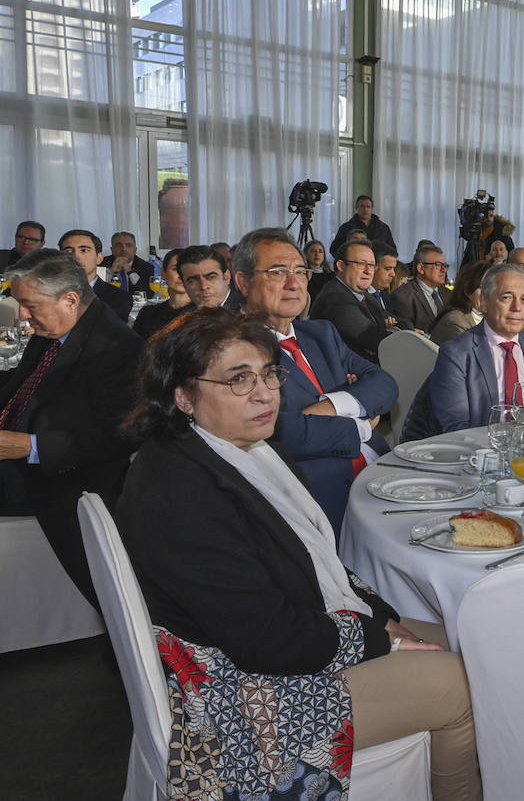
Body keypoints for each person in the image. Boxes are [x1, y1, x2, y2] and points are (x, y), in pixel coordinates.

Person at [117, 309, 478, 800]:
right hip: (246, 697)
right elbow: (267, 640)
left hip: (284, 639)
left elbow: (310, 562)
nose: (265, 393)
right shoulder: (178, 492)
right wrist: (377, 638)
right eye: (238, 380)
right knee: (462, 684)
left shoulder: (245, 447)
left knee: (476, 642)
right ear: (182, 396)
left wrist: (381, 618)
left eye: (269, 373)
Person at [0, 249, 143, 608]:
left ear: (70, 299)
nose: (23, 316)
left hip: (70, 480)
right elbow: (19, 389)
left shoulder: (117, 348)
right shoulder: (55, 330)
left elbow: (119, 434)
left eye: (30, 305)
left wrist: (30, 447)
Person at [233, 228, 397, 536]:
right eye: (277, 272)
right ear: (243, 282)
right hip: (318, 500)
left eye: (300, 271)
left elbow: (385, 383)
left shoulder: (320, 334)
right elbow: (282, 432)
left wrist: (332, 405)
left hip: (383, 475)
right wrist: (360, 423)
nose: (294, 283)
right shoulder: (232, 347)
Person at [404, 264, 524, 439]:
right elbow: (456, 428)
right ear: (484, 302)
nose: (517, 307)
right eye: (506, 297)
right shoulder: (457, 354)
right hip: (479, 454)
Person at [309, 240, 400, 363]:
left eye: (372, 265)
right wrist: (390, 331)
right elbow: (375, 339)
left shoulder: (366, 296)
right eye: (361, 264)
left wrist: (394, 330)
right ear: (341, 266)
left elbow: (398, 321)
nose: (368, 271)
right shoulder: (334, 298)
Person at [58, 228, 133, 322]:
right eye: (68, 252)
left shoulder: (119, 298)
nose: (76, 256)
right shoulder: (49, 294)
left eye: (84, 250)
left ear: (99, 258)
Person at [132, 248, 195, 339]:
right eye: (175, 269)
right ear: (163, 273)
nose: (181, 275)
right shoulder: (147, 314)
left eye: (187, 269)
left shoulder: (204, 315)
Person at [430, 261, 490, 346]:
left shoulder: (494, 318)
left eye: (493, 287)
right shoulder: (455, 322)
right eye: (483, 287)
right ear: (467, 290)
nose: (488, 293)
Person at [392, 244, 448, 334]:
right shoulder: (402, 296)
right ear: (421, 268)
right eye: (438, 265)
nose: (443, 270)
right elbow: (406, 335)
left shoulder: (449, 294)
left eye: (445, 266)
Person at [329, 194, 396, 258]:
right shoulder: (346, 228)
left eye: (368, 207)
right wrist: (347, 261)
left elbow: (392, 250)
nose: (365, 209)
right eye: (362, 206)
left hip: (377, 265)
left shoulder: (383, 228)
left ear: (371, 209)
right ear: (356, 208)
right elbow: (334, 249)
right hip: (355, 264)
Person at [177, 245, 234, 310]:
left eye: (211, 277)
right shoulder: (184, 317)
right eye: (193, 280)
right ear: (184, 285)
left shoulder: (245, 311)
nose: (203, 286)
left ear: (227, 277)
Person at [100, 231, 154, 296]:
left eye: (128, 245)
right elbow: (95, 292)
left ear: (135, 250)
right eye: (118, 245)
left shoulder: (146, 267)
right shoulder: (101, 264)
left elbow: (149, 294)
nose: (124, 249)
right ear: (112, 249)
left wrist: (131, 272)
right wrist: (110, 273)